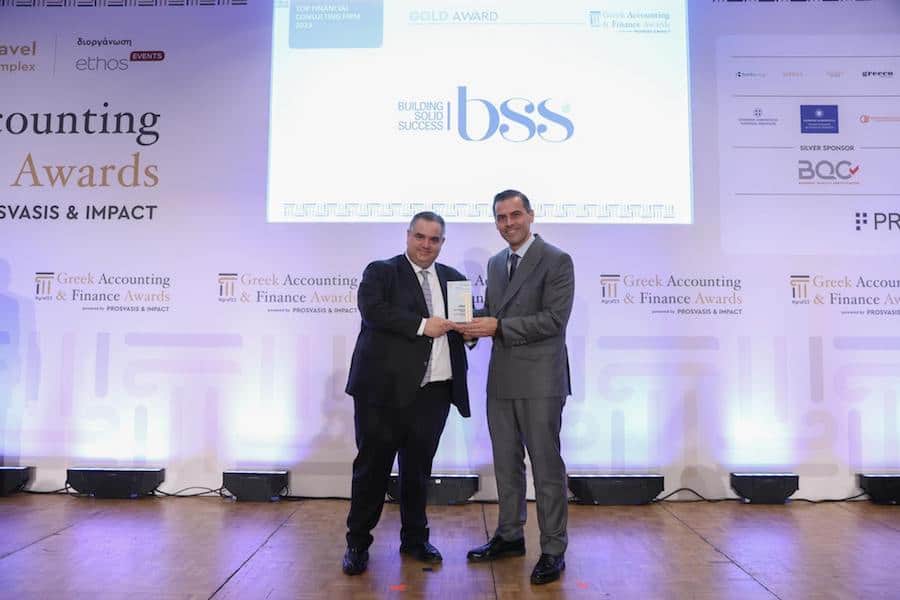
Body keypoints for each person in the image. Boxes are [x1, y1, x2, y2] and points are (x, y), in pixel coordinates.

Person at [342, 211, 471, 576]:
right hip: (382, 394)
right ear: (408, 236)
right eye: (420, 237)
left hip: (434, 393)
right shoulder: (381, 271)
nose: (426, 245)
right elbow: (374, 312)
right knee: (372, 471)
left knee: (418, 472)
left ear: (442, 242)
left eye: (434, 239)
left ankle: (415, 539)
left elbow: (461, 329)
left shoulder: (455, 280)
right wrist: (422, 325)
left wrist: (470, 335)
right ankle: (357, 543)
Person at [457, 189, 574, 585]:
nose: (508, 223)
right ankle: (509, 536)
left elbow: (554, 320)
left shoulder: (557, 259)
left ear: (531, 215)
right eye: (501, 217)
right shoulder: (495, 263)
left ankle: (553, 548)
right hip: (501, 379)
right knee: (506, 465)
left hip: (541, 380)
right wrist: (468, 328)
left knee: (546, 468)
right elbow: (493, 313)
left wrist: (498, 327)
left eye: (515, 215)